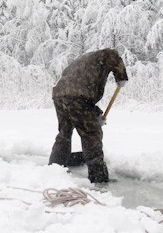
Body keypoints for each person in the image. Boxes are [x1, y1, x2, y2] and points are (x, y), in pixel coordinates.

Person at [48, 48, 128, 183]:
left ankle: (55, 166)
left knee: (64, 132)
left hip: (59, 96)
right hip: (77, 98)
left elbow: (83, 102)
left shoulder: (84, 61)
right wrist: (122, 77)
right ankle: (99, 178)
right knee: (91, 134)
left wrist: (97, 115)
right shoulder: (107, 54)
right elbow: (80, 100)